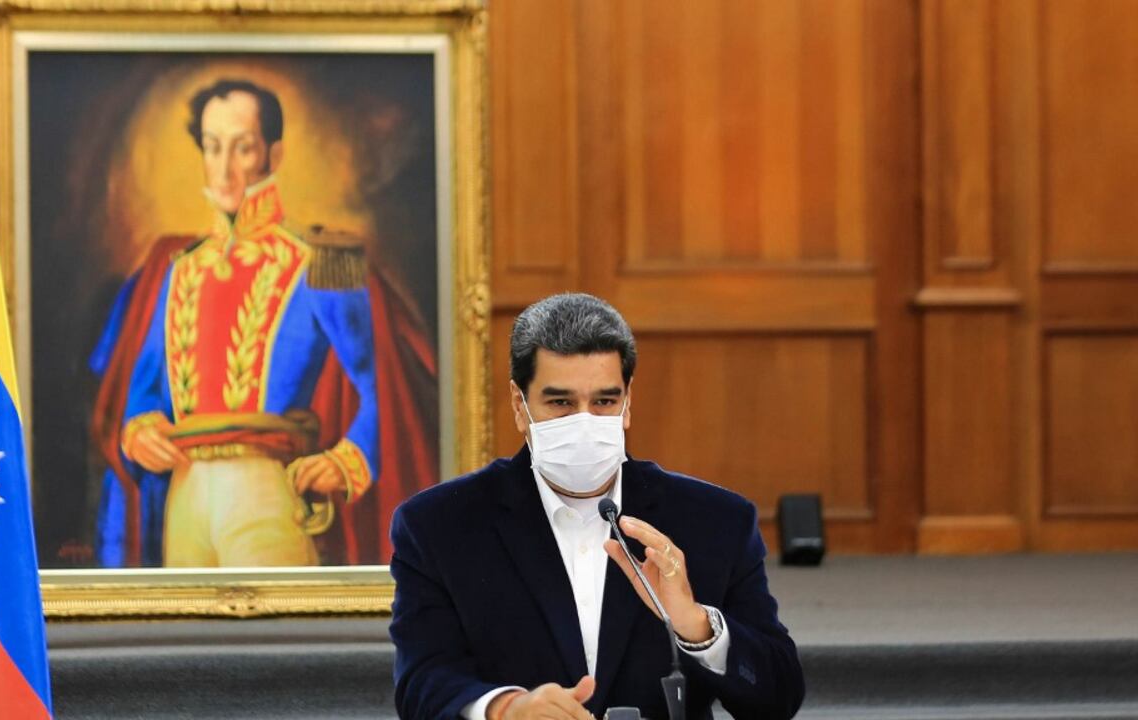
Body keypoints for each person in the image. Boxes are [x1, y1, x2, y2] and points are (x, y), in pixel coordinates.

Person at [390, 293, 804, 719]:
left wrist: (697, 626)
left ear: (628, 402)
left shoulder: (716, 521)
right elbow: (422, 681)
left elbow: (779, 697)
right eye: (561, 403)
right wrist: (505, 709)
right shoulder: (438, 526)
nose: (584, 421)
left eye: (604, 402)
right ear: (519, 405)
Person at [90, 78, 436, 568]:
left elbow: (380, 388)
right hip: (185, 493)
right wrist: (141, 429)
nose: (224, 168)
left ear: (273, 155)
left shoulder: (316, 263)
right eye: (212, 147)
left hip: (266, 490)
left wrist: (346, 459)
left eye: (243, 148)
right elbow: (144, 390)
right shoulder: (179, 269)